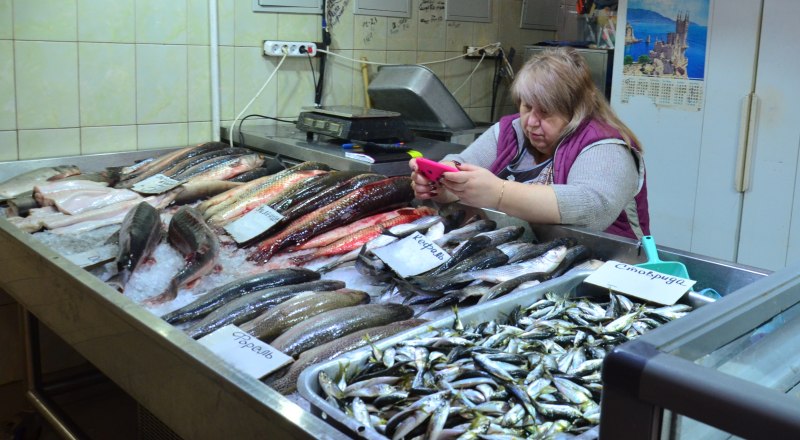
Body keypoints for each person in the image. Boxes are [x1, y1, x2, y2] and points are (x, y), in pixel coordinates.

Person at [409, 46, 649, 240]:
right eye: (526, 106)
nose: (531, 122)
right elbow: (461, 165)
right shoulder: (510, 131)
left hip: (608, 269)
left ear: (576, 110)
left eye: (545, 112)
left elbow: (592, 209)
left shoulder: (606, 147)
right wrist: (441, 185)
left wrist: (499, 193)